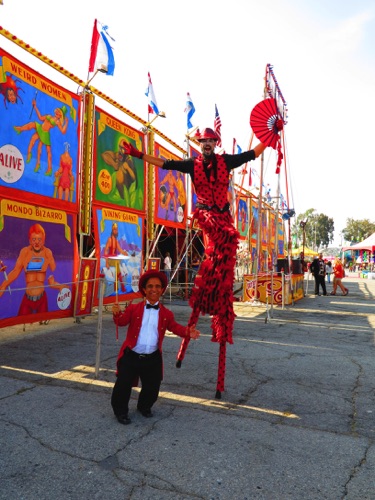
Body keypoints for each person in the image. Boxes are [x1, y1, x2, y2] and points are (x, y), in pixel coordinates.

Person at [121, 127, 274, 348]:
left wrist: (270, 137)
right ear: (200, 144)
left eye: (211, 140)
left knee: (227, 249)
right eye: (204, 141)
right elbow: (166, 163)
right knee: (225, 240)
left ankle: (218, 299)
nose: (208, 143)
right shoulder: (192, 164)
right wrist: (139, 155)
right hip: (206, 215)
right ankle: (212, 294)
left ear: (215, 143)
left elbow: (252, 154)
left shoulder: (226, 161)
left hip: (223, 215)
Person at [111, 270, 200, 424]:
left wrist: (187, 332)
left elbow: (174, 327)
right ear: (144, 290)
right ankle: (121, 412)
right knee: (122, 386)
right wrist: (117, 314)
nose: (154, 289)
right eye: (150, 286)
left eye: (158, 286)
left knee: (152, 387)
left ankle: (144, 407)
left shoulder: (166, 313)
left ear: (162, 290)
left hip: (152, 357)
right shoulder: (133, 308)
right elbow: (121, 322)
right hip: (131, 354)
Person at [0, 223, 64, 314]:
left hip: (42, 299)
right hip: (28, 299)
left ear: (43, 241)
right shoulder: (25, 252)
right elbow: (15, 271)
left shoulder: (47, 253)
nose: (37, 242)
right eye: (34, 239)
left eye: (39, 239)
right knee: (20, 321)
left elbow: (56, 271)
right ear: (30, 240)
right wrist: (3, 285)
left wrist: (56, 284)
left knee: (43, 325)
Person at [14, 100, 69, 175]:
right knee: (32, 128)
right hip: (40, 128)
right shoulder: (49, 116)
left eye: (60, 113)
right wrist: (35, 107)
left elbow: (63, 131)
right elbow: (40, 118)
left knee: (44, 150)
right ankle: (21, 131)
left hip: (45, 134)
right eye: (58, 111)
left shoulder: (57, 122)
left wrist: (66, 123)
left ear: (61, 116)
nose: (57, 113)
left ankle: (46, 167)